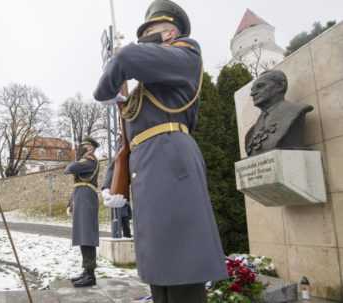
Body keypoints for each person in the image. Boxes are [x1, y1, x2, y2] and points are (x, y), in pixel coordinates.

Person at [93, 0, 228, 302]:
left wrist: (105, 91)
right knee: (158, 269)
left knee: (182, 264)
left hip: (170, 161)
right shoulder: (147, 89)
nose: (144, 40)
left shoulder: (186, 53)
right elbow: (127, 140)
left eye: (150, 33)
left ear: (168, 35)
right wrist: (111, 180)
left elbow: (126, 57)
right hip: (148, 168)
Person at [245, 70, 314, 156]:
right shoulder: (251, 132)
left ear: (280, 86)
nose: (252, 94)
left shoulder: (295, 111)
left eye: (260, 86)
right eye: (252, 90)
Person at [64, 137, 100, 288]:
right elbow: (77, 183)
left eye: (84, 146)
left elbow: (69, 169)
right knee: (82, 235)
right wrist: (70, 202)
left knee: (87, 235)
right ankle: (86, 271)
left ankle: (90, 275)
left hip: (86, 198)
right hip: (81, 196)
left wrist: (78, 158)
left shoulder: (89, 161)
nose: (81, 148)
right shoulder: (84, 162)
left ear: (90, 148)